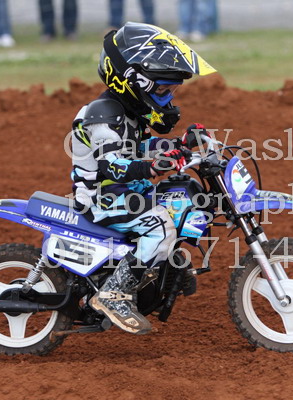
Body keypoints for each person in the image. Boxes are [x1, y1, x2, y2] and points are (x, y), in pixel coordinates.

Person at [70, 22, 216, 334]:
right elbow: (113, 166)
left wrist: (180, 145)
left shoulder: (127, 111)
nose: (167, 97)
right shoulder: (103, 115)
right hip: (101, 198)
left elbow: (140, 147)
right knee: (161, 226)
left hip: (125, 193)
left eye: (171, 90)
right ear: (132, 81)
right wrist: (153, 168)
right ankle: (113, 294)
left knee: (180, 198)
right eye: (163, 89)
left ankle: (165, 268)